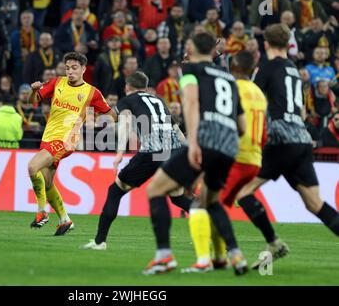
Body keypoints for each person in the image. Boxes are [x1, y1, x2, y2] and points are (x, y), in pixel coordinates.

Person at [142, 32, 248, 276]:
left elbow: (190, 103)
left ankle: (164, 256)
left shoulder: (191, 71)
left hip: (205, 141)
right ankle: (235, 254)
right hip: (229, 145)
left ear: (190, 46)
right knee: (210, 201)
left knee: (155, 189)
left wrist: (194, 143)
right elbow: (242, 125)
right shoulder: (229, 78)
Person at [236, 24, 339, 269]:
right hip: (301, 139)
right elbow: (302, 109)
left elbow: (252, 101)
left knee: (243, 192)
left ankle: (274, 243)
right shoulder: (294, 69)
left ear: (266, 44)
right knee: (314, 203)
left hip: (280, 140)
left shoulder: (266, 68)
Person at [81, 71, 189, 251]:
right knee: (178, 198)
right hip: (174, 150)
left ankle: (100, 242)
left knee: (115, 191)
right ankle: (218, 235)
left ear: (127, 87)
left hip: (151, 151)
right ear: (146, 87)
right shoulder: (159, 100)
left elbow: (124, 125)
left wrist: (119, 154)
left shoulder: (127, 100)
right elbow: (175, 129)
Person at [185, 50, 269, 272]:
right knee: (214, 205)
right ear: (253, 69)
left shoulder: (233, 87)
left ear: (233, 67)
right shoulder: (259, 93)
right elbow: (263, 133)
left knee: (199, 206)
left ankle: (206, 260)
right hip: (254, 159)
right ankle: (220, 257)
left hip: (233, 155)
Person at [28, 52, 117, 236]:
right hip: (49, 137)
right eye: (68, 68)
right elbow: (34, 102)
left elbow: (111, 115)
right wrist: (34, 91)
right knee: (46, 183)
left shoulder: (92, 92)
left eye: (74, 68)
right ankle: (64, 219)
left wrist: (102, 116)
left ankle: (42, 211)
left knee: (32, 167)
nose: (70, 71)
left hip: (67, 140)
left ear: (84, 69)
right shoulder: (56, 82)